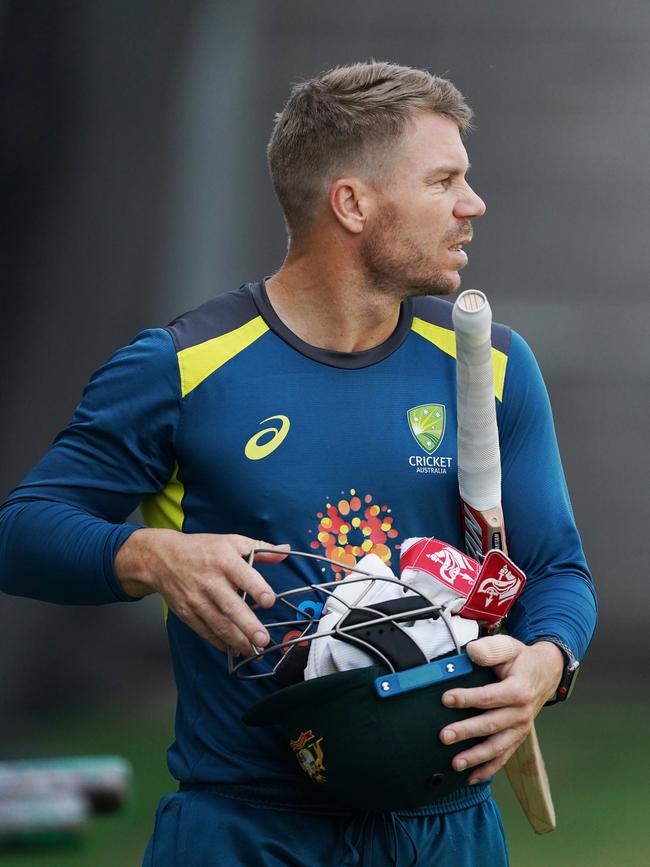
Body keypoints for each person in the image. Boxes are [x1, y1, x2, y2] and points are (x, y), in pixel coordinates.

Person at [0, 61, 596, 866]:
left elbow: (558, 570)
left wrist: (545, 661)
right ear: (352, 203)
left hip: (447, 829)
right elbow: (21, 532)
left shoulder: (486, 362)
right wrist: (147, 554)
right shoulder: (180, 367)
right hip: (247, 830)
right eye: (444, 180)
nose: (472, 204)